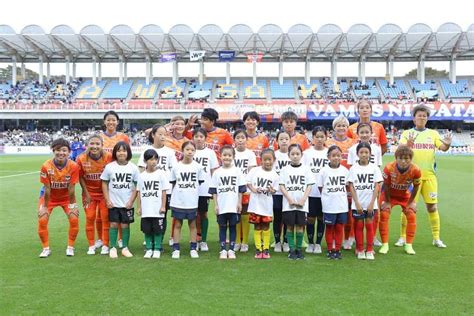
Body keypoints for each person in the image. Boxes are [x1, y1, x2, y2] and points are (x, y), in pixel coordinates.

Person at [397, 104, 452, 248]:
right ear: (414, 118)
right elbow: (400, 151)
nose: (421, 117)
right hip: (410, 178)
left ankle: (436, 238)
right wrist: (408, 145)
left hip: (429, 177)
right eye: (419, 115)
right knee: (407, 207)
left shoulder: (433, 134)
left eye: (424, 115)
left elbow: (443, 148)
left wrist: (448, 144)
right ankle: (402, 237)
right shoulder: (407, 133)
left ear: (427, 118)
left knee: (432, 207)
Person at [37, 138, 80, 258]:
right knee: (42, 220)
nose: (61, 153)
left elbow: (72, 189)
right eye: (57, 150)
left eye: (64, 150)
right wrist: (44, 207)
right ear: (53, 150)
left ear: (69, 152)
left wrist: (72, 206)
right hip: (49, 197)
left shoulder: (74, 166)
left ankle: (70, 247)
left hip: (66, 197)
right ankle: (46, 249)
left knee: (74, 219)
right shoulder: (46, 166)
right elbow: (47, 188)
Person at [137, 124, 177, 248]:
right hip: (150, 189)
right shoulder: (146, 151)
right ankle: (149, 238)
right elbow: (141, 168)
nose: (162, 136)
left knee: (162, 214)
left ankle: (159, 240)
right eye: (160, 134)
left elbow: (174, 169)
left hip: (165, 189)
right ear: (153, 135)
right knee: (148, 213)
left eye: (164, 134)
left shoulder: (170, 152)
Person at [379, 145, 421, 255]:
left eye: (406, 158)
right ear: (395, 158)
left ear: (411, 159)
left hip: (405, 195)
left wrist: (411, 202)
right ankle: (385, 244)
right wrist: (387, 202)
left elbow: (416, 186)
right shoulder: (388, 168)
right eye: (400, 158)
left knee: (411, 215)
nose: (403, 161)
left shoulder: (416, 170)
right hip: (389, 195)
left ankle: (409, 245)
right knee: (384, 214)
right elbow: (386, 186)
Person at [101, 141, 139, 258]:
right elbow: (104, 183)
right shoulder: (110, 167)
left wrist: (131, 201)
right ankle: (112, 247)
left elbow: (137, 187)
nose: (121, 153)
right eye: (118, 150)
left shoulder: (133, 168)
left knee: (125, 226)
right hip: (113, 203)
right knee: (113, 224)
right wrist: (107, 200)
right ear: (115, 153)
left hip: (127, 203)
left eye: (124, 150)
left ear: (128, 152)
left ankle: (125, 248)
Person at [347, 122, 383, 247]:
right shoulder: (352, 150)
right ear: (357, 134)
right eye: (361, 132)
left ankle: (372, 238)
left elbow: (378, 168)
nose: (364, 134)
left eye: (367, 132)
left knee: (372, 213)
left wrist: (377, 188)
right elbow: (352, 169)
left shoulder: (377, 149)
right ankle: (353, 237)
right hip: (359, 187)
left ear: (371, 133)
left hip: (372, 187)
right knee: (356, 214)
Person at [209, 145, 247, 259]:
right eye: (224, 155)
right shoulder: (217, 172)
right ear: (220, 156)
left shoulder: (237, 171)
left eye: (229, 155)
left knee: (233, 227)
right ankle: (222, 250)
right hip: (222, 206)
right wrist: (216, 205)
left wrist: (239, 203)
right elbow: (214, 191)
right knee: (222, 227)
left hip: (233, 206)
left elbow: (241, 189)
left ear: (233, 157)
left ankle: (231, 249)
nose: (227, 157)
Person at [77, 134, 112, 255]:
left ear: (102, 146)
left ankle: (105, 244)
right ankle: (91, 245)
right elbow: (80, 177)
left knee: (105, 218)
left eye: (98, 144)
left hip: (104, 194)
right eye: (92, 143)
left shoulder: (109, 157)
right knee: (90, 217)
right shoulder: (81, 158)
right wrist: (86, 194)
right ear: (87, 145)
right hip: (89, 194)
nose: (95, 146)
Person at [100, 111, 131, 248]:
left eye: (113, 120)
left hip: (120, 177)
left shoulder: (123, 137)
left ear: (117, 122)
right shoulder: (99, 137)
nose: (111, 122)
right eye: (108, 120)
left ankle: (120, 239)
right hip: (105, 176)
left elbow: (127, 153)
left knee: (120, 207)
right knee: (104, 213)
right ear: (104, 121)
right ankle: (102, 239)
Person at [169, 141, 205, 259]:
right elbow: (173, 183)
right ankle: (176, 248)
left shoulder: (198, 167)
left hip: (192, 201)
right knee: (178, 224)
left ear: (195, 152)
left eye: (192, 150)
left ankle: (193, 248)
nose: (190, 152)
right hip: (178, 201)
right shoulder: (176, 166)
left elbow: (199, 183)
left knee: (193, 225)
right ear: (182, 151)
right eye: (187, 149)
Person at [326, 115, 356, 250]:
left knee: (348, 211)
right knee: (332, 212)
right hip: (332, 182)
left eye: (344, 125)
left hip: (348, 180)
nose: (341, 128)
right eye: (338, 125)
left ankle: (348, 238)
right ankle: (331, 240)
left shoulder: (353, 143)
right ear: (334, 127)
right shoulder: (327, 142)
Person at [279, 144, 314, 260]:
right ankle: (292, 250)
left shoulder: (306, 169)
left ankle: (299, 250)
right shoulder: (284, 170)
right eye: (292, 154)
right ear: (288, 156)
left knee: (300, 227)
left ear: (301, 155)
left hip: (302, 205)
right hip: (288, 205)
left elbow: (309, 185)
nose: (295, 156)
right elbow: (282, 186)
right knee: (289, 227)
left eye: (297, 154)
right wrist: (289, 199)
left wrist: (303, 199)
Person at [136, 149, 171, 259]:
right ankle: (149, 249)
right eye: (151, 159)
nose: (154, 161)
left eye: (156, 159)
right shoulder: (141, 176)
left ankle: (157, 249)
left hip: (157, 209)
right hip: (146, 209)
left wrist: (163, 206)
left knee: (157, 230)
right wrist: (139, 207)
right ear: (145, 161)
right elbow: (139, 192)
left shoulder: (161, 174)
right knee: (147, 230)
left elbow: (164, 191)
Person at [317, 145, 350, 260]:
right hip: (329, 205)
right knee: (330, 227)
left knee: (339, 227)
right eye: (333, 155)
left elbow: (347, 187)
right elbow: (320, 187)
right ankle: (330, 249)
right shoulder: (323, 171)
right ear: (328, 157)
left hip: (342, 205)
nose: (336, 158)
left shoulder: (345, 171)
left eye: (338, 156)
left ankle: (337, 249)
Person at [247, 149, 279, 259]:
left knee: (266, 226)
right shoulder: (255, 171)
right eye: (265, 159)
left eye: (269, 159)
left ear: (274, 160)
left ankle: (265, 249)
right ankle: (258, 249)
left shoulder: (275, 175)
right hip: (255, 205)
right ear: (261, 160)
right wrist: (253, 189)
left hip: (266, 205)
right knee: (257, 225)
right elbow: (248, 182)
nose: (267, 162)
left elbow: (276, 190)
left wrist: (272, 190)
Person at [302, 126, 329, 254]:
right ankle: (310, 243)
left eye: (321, 136)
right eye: (316, 137)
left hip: (325, 193)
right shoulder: (307, 153)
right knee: (310, 218)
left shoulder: (329, 153)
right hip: (311, 192)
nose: (319, 139)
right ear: (312, 138)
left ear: (326, 137)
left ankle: (318, 243)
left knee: (321, 218)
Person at [193, 128, 219, 252]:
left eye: (201, 136)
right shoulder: (189, 151)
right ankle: (195, 238)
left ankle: (203, 240)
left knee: (203, 214)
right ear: (193, 138)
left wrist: (214, 188)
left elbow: (214, 171)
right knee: (194, 214)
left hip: (205, 189)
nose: (198, 138)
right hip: (191, 189)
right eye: (196, 136)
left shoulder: (210, 153)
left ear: (205, 138)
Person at [233, 129, 257, 252]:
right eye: (238, 137)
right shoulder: (231, 153)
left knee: (245, 214)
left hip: (246, 188)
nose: (240, 140)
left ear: (246, 140)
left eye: (243, 137)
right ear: (234, 140)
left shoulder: (250, 154)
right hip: (233, 189)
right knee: (236, 215)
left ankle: (245, 242)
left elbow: (252, 172)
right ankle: (237, 240)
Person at [272, 131, 292, 252]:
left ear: (290, 140)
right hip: (277, 193)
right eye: (281, 139)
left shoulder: (294, 155)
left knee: (287, 218)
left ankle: (286, 241)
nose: (284, 141)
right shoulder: (274, 155)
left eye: (286, 139)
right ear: (277, 141)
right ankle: (277, 241)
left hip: (289, 193)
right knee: (277, 218)